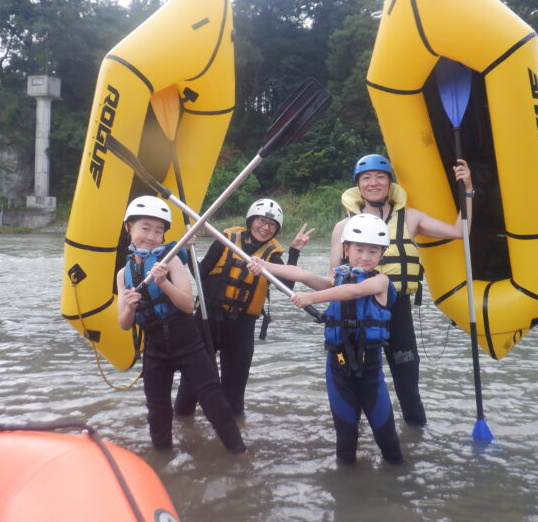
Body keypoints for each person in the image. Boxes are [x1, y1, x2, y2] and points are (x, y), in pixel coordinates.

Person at [248, 213, 403, 465]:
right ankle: (346, 493)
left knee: (387, 439)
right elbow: (301, 274)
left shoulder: (381, 282)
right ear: (346, 249)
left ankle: (398, 484)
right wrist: (264, 265)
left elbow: (354, 291)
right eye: (359, 249)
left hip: (370, 370)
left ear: (381, 255)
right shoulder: (336, 279)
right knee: (345, 440)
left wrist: (310, 298)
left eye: (373, 252)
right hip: (337, 367)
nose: (365, 257)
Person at [330, 154, 473, 427]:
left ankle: (416, 436)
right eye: (366, 178)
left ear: (389, 183)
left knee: (408, 384)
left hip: (398, 308)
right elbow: (332, 275)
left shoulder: (411, 218)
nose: (373, 183)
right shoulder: (343, 227)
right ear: (358, 186)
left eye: (380, 177)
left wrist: (468, 189)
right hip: (357, 310)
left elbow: (459, 231)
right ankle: (359, 445)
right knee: (360, 383)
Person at [117, 195, 245, 454]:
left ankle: (240, 455)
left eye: (158, 231)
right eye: (145, 228)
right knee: (157, 410)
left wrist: (163, 282)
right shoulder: (124, 274)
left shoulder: (171, 260)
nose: (152, 236)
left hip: (186, 340)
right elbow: (123, 324)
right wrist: (129, 306)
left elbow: (188, 305)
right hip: (155, 346)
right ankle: (163, 462)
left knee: (214, 402)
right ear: (128, 227)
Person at [174, 198, 314, 416]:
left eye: (272, 224)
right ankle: (183, 433)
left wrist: (294, 252)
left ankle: (234, 440)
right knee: (191, 386)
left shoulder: (273, 256)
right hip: (207, 320)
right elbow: (200, 275)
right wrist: (190, 251)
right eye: (261, 221)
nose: (265, 227)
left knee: (234, 395)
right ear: (251, 220)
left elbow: (287, 287)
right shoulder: (225, 240)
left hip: (240, 328)